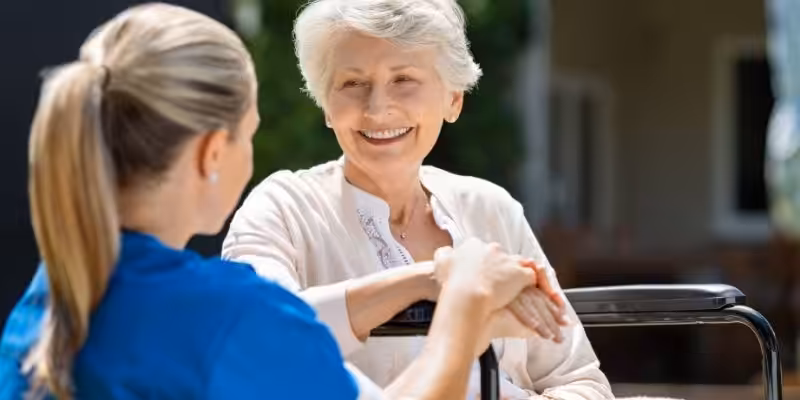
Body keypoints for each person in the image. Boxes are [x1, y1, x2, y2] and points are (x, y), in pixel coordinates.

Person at [0, 3, 556, 399]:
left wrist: (429, 281)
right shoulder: (230, 315)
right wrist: (462, 305)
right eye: (250, 133)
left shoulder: (51, 295)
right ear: (212, 152)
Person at [221, 0, 613, 398]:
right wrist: (437, 279)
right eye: (352, 83)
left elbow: (578, 381)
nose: (377, 108)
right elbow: (258, 338)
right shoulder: (282, 208)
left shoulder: (491, 208)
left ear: (453, 100)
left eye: (403, 79)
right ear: (326, 104)